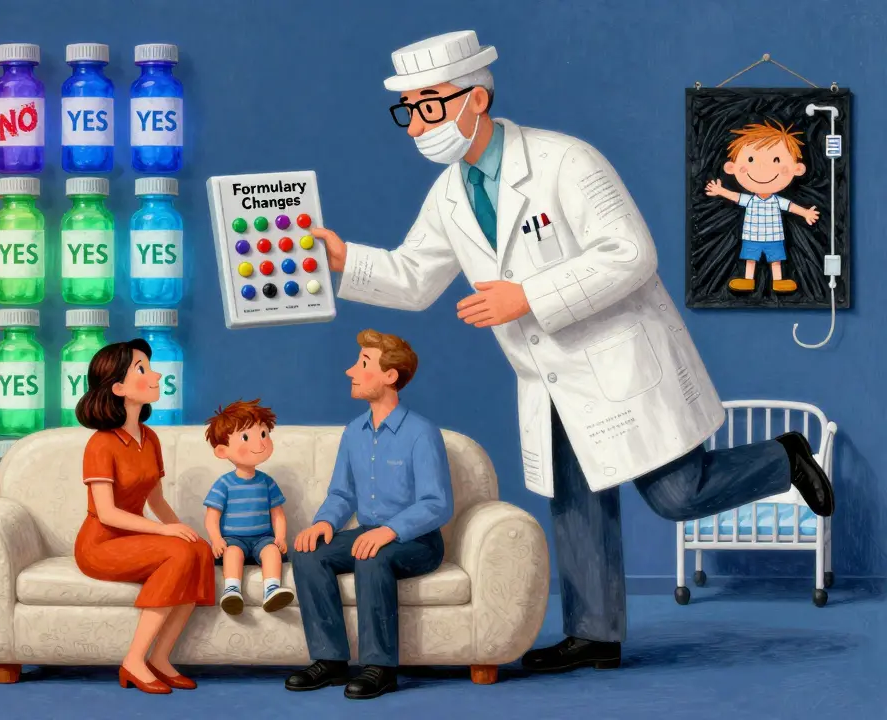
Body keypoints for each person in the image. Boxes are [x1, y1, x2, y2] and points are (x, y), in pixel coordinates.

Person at [312, 30, 835, 674]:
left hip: (619, 359)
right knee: (577, 503)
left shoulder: (566, 161)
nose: (417, 124)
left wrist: (526, 295)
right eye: (410, 109)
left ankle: (782, 458)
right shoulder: (452, 192)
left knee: (677, 494)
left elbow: (632, 255)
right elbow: (415, 277)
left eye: (429, 105)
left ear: (475, 98)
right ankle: (594, 632)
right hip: (546, 375)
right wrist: (343, 262)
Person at [286, 330, 453, 700]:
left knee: (372, 555)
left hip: (417, 542)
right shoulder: (353, 433)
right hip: (368, 532)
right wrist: (324, 523)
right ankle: (329, 661)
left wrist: (390, 531)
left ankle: (380, 667)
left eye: (363, 364)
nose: (351, 371)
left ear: (390, 376)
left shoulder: (421, 433)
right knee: (308, 553)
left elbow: (436, 503)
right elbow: (342, 493)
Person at [73, 338, 216, 695]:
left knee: (196, 549)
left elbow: (156, 498)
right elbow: (107, 513)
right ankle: (134, 661)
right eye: (142, 368)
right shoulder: (101, 444)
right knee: (179, 551)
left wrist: (180, 529)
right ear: (118, 388)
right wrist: (164, 534)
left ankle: (161, 658)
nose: (154, 374)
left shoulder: (149, 438)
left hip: (133, 538)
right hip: (101, 543)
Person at [704, 118, 820, 294]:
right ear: (731, 167)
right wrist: (720, 190)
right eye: (750, 159)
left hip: (774, 237)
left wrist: (805, 213)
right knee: (750, 259)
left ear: (797, 169)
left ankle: (778, 281)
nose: (762, 167)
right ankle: (748, 281)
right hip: (752, 237)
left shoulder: (776, 200)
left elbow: (790, 206)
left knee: (776, 260)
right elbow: (734, 196)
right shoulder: (750, 199)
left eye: (776, 159)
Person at [202, 399, 295, 614]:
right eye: (246, 437)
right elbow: (211, 517)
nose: (261, 443)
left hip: (263, 538)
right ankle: (231, 590)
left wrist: (280, 537)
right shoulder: (223, 484)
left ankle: (272, 589)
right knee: (233, 553)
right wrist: (216, 539)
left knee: (271, 551)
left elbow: (277, 514)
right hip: (233, 539)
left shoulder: (267, 482)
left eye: (263, 434)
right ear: (223, 451)